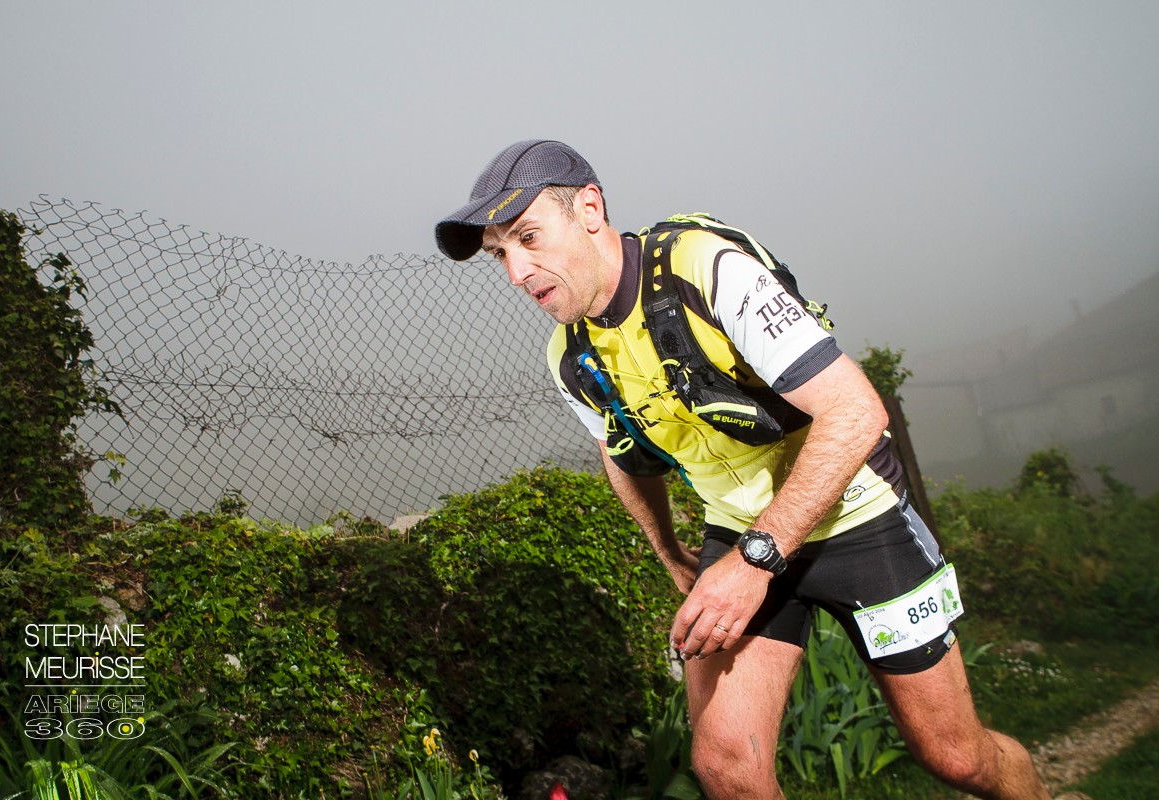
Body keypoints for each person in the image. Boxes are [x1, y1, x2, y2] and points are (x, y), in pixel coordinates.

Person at [434, 139, 1054, 800]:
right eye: (500, 254)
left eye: (529, 238)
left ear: (589, 209)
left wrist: (755, 561)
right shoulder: (568, 354)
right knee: (728, 769)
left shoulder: (703, 269)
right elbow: (619, 453)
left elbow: (855, 411)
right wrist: (669, 550)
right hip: (739, 535)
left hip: (857, 517)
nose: (516, 272)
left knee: (956, 758)